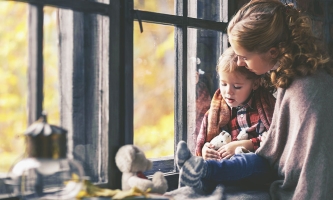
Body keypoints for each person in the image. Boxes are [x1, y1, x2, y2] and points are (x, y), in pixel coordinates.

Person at [176, 0, 333, 199]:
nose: (240, 62)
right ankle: (199, 172)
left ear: (272, 52)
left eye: (245, 57)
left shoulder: (307, 90)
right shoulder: (292, 77)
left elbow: (316, 168)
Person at [196, 47, 276, 161]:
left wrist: (244, 145)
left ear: (255, 84)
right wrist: (206, 150)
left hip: (256, 164)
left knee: (250, 161)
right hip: (226, 164)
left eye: (237, 87)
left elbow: (274, 140)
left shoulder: (265, 108)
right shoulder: (216, 112)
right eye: (223, 84)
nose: (228, 91)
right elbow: (209, 141)